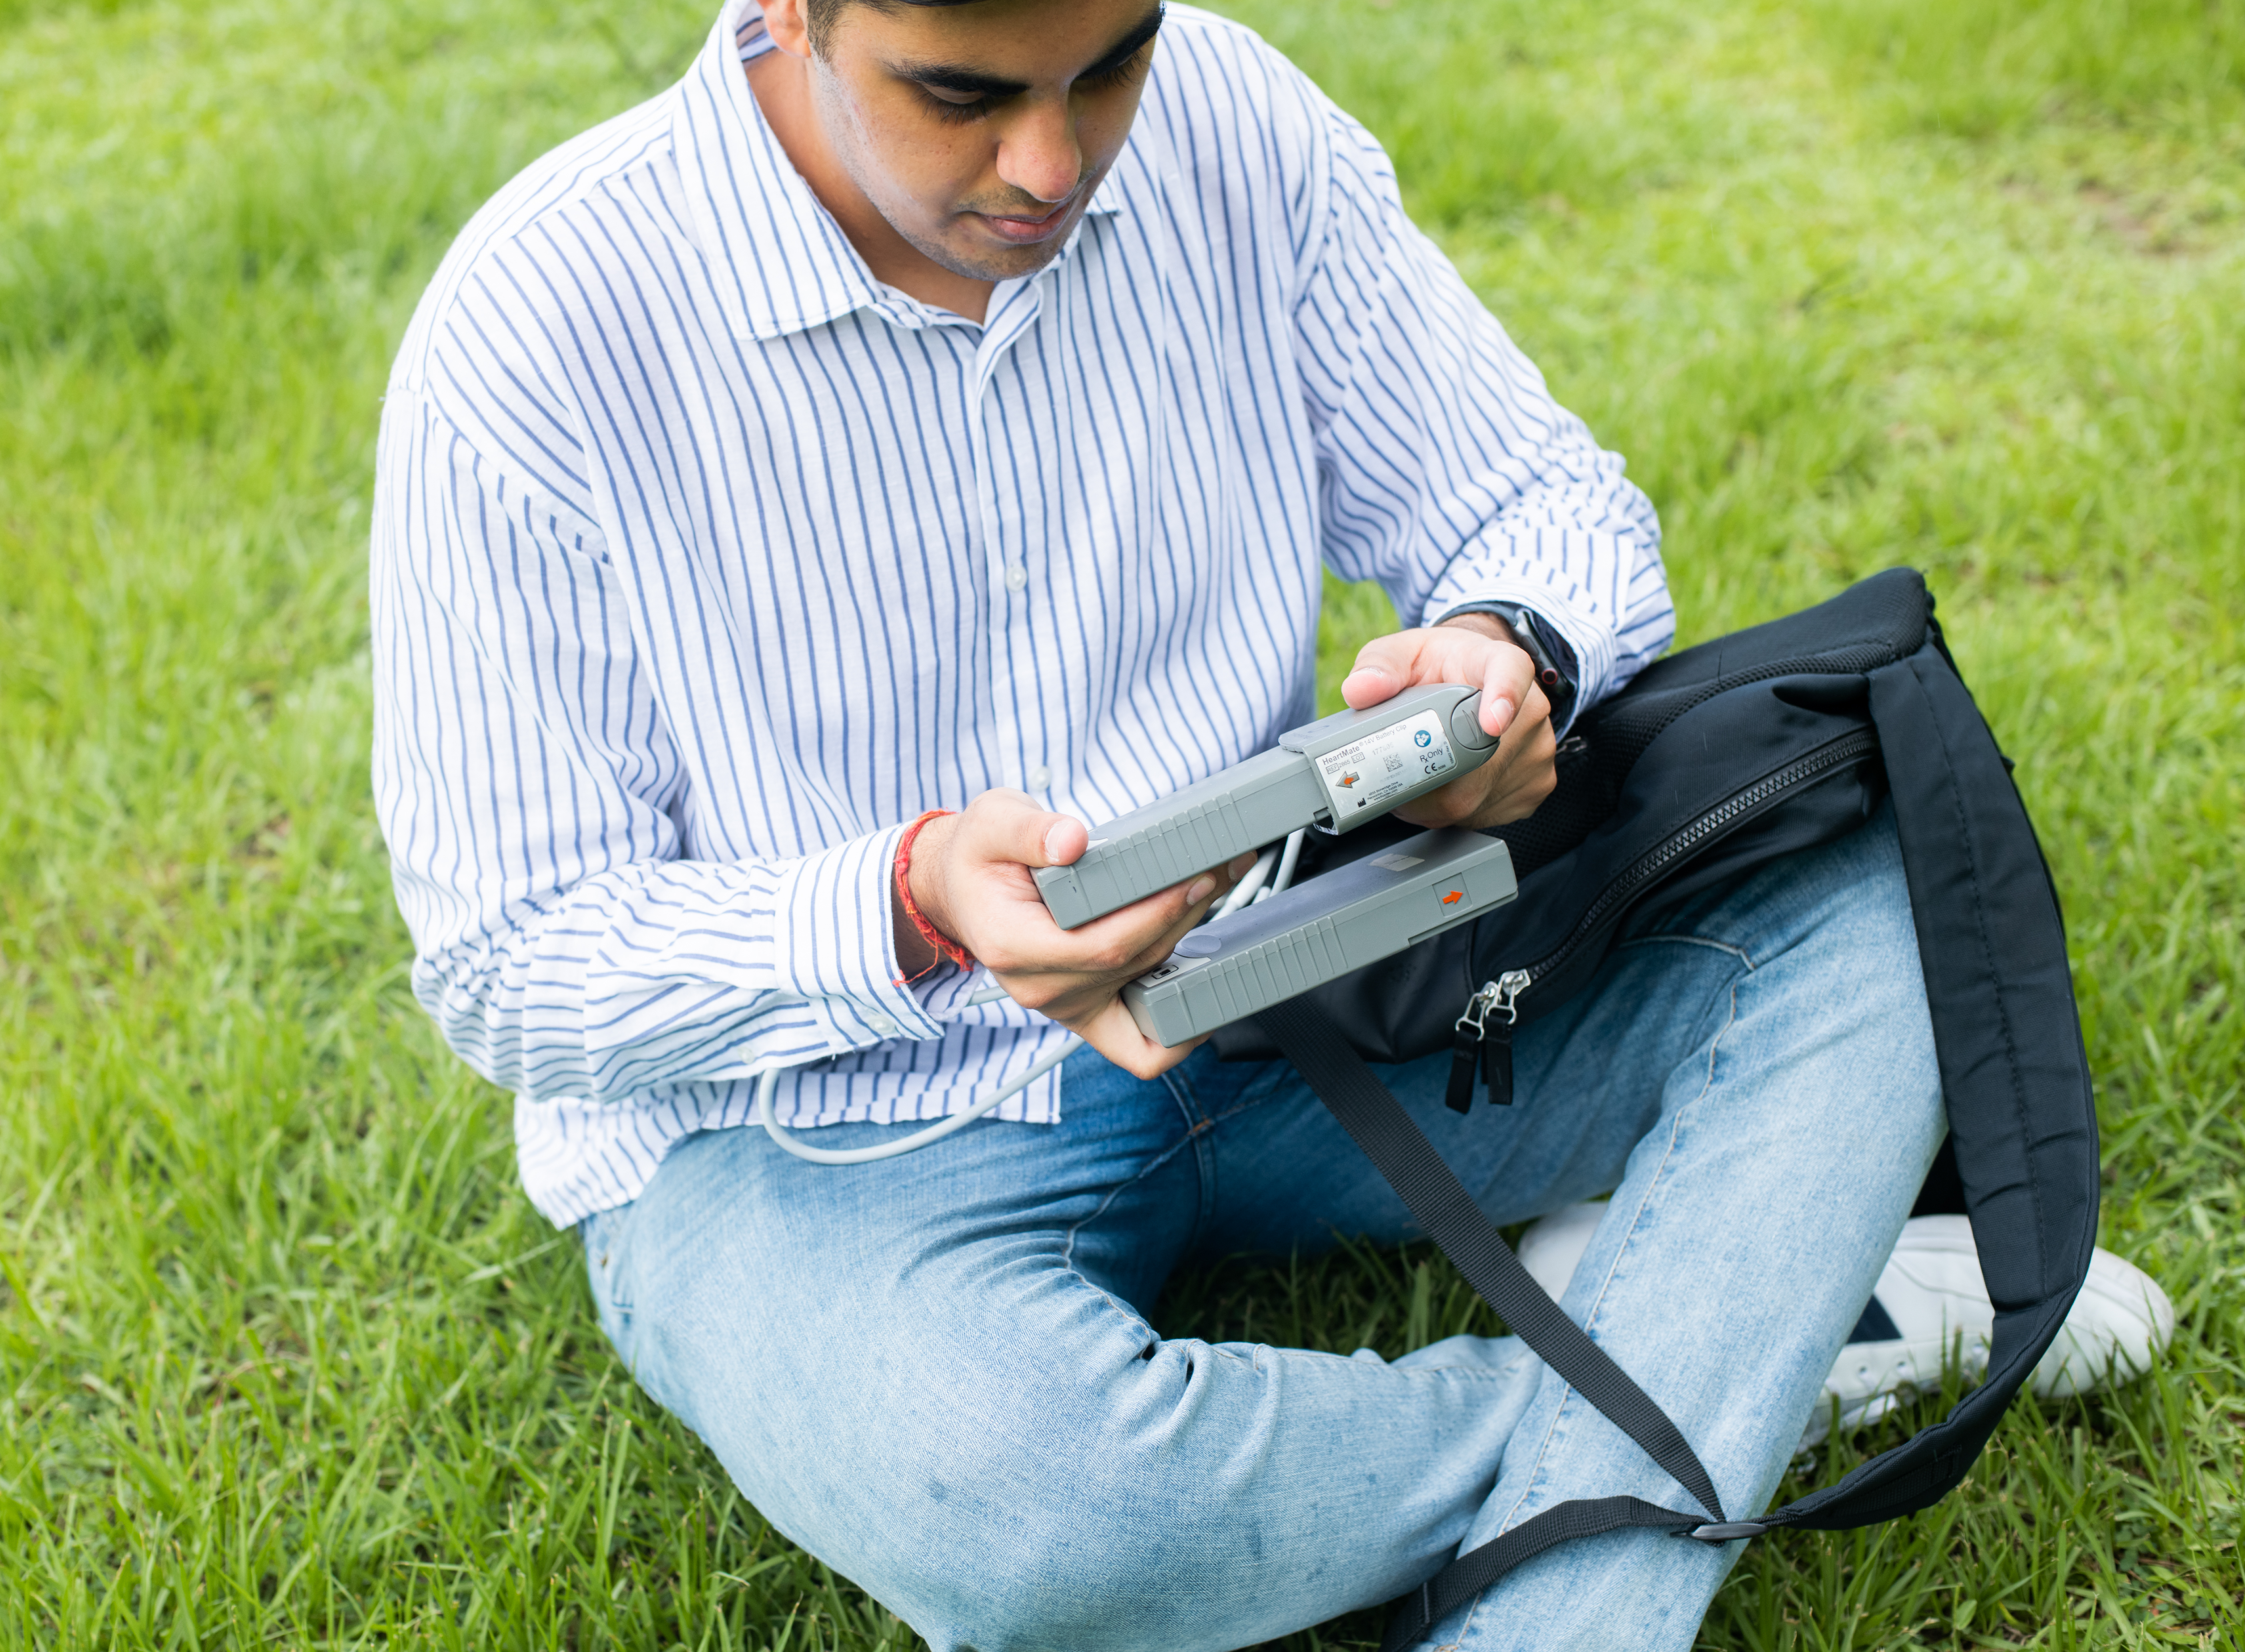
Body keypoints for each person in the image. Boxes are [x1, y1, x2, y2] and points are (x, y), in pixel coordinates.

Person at [368, 2, 2169, 1645]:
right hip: (822, 1135)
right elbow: (513, 965)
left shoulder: (1238, 123)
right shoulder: (541, 327)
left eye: (1109, 65)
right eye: (964, 95)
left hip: (1300, 987)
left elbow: (1536, 498)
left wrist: (1503, 652)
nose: (1055, 165)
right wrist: (909, 901)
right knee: (1032, 1508)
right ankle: (1744, 1338)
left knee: (1865, 892)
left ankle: (1633, 1462)